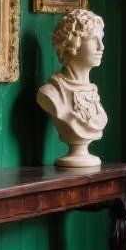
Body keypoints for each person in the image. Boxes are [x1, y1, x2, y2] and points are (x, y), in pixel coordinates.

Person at [37, 9, 108, 168]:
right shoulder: (51, 93)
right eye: (93, 39)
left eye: (101, 39)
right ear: (72, 43)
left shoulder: (92, 92)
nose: (101, 46)